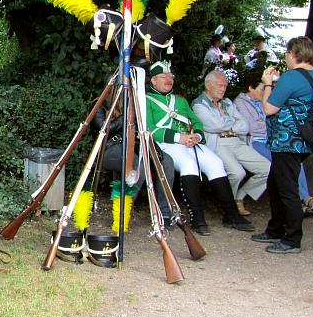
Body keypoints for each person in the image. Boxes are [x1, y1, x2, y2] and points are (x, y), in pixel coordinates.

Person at [145, 60, 254, 235]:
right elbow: (150, 128)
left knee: (216, 163)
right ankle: (197, 217)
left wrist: (196, 135)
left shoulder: (180, 101)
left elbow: (195, 121)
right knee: (189, 165)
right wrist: (180, 138)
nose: (169, 79)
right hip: (167, 144)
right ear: (153, 81)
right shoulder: (146, 100)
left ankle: (232, 214)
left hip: (191, 142)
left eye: (170, 75)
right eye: (163, 76)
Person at [251, 36, 313, 254]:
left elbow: (269, 108)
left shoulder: (292, 77)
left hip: (287, 141)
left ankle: (292, 239)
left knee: (287, 190)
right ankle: (275, 229)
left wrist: (268, 84)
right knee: (275, 184)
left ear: (293, 54)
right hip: (300, 140)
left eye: (287, 54)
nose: (286, 58)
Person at [233, 70, 313, 217]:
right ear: (250, 88)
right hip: (256, 141)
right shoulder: (240, 103)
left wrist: (266, 122)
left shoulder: (262, 101)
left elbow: (275, 119)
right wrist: (268, 122)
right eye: (262, 88)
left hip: (273, 138)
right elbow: (251, 127)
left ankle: (304, 200)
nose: (265, 91)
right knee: (281, 164)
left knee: (295, 162)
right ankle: (305, 200)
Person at [192, 71, 270, 216]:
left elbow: (245, 126)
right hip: (218, 143)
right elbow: (214, 126)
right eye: (220, 85)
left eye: (225, 86)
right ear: (208, 86)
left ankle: (239, 197)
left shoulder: (227, 103)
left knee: (267, 168)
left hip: (236, 141)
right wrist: (232, 121)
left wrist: (226, 123)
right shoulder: (199, 104)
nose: (223, 89)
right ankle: (228, 205)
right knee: (237, 172)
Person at [92, 100, 177, 227]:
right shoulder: (100, 105)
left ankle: (164, 213)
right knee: (137, 167)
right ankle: (123, 212)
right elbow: (103, 129)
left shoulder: (136, 103)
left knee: (167, 161)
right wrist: (127, 116)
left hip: (135, 146)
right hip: (109, 148)